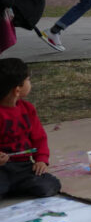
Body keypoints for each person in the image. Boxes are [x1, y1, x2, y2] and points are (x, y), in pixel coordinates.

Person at [0, 58, 61, 199]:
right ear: (17, 90)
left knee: (49, 185)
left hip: (24, 167)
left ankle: (11, 188)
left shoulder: (28, 109)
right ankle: (10, 188)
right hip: (1, 169)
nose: (30, 83)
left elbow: (39, 138)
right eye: (28, 80)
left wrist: (41, 159)